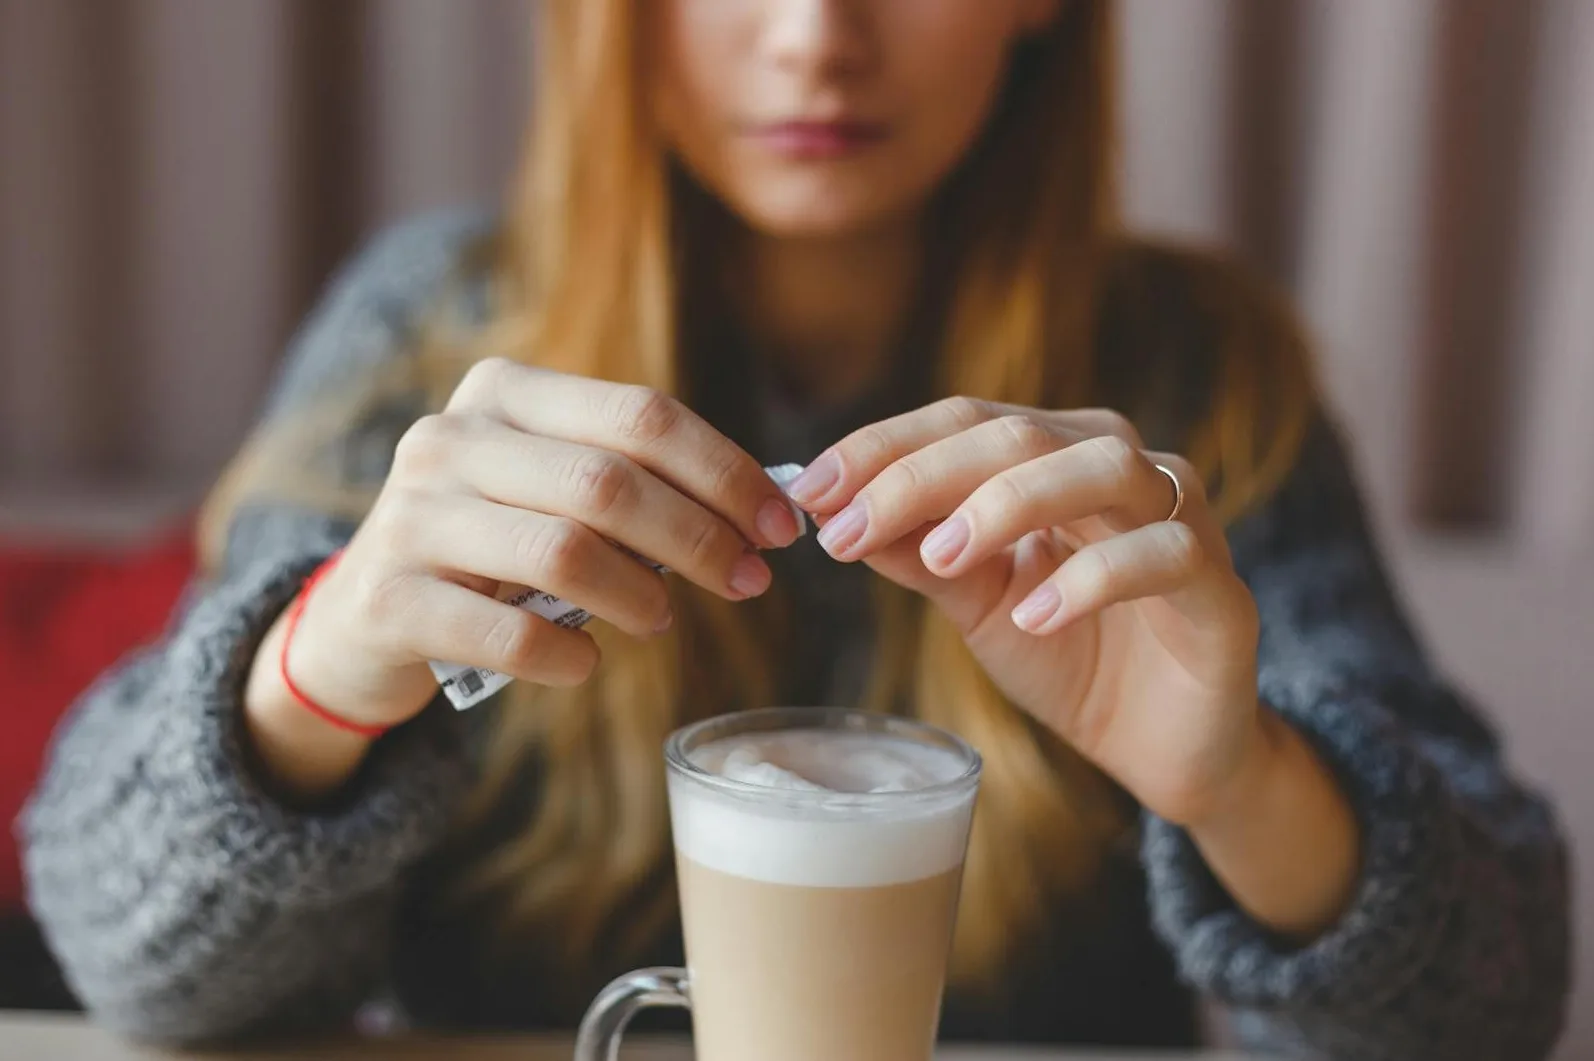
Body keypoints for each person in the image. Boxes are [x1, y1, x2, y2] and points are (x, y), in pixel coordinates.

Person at [21, 1, 1568, 1057]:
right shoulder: (427, 336)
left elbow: (1493, 1003)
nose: (815, 36)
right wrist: (317, 670)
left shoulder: (1196, 379)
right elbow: (128, 964)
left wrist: (1241, 784)